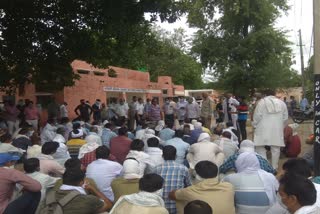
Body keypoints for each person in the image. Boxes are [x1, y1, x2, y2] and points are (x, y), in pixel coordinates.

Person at [170, 161, 235, 214]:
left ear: (196, 175)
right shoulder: (229, 187)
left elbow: (171, 195)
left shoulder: (189, 191)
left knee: (180, 200)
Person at [253, 89, 288, 169]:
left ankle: (265, 166)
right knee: (276, 148)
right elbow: (285, 118)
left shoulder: (262, 102)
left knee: (259, 146)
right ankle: (274, 167)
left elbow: (257, 116)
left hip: (262, 128)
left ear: (265, 95)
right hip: (277, 129)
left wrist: (254, 125)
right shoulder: (282, 103)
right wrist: (281, 127)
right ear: (274, 94)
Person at [155, 146, 191, 214]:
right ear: (176, 156)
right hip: (178, 208)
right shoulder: (183, 168)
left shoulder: (156, 169)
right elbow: (189, 186)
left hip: (161, 207)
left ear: (162, 156)